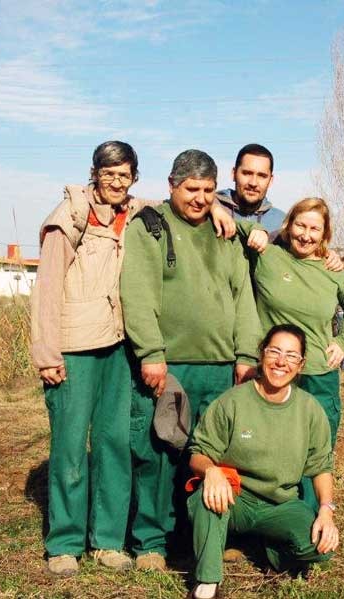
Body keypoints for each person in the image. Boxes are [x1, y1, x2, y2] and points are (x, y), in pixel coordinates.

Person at [29, 141, 238, 577]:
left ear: (134, 178)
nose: (116, 182)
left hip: (120, 347)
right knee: (70, 446)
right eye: (108, 174)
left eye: (124, 175)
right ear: (94, 173)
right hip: (75, 346)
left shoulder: (137, 213)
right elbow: (46, 289)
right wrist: (46, 352)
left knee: (114, 446)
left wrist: (219, 206)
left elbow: (181, 199)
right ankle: (65, 542)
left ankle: (106, 540)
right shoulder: (68, 217)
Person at [120, 149, 263, 571]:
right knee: (160, 453)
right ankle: (150, 542)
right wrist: (150, 353)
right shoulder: (150, 227)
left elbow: (244, 299)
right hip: (170, 365)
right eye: (191, 189)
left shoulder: (227, 233)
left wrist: (245, 354)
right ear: (171, 185)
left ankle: (202, 537)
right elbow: (139, 295)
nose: (199, 199)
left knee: (212, 457)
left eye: (207, 190)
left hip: (220, 366)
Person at [186, 324, 338, 599]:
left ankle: (270, 550)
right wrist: (211, 471)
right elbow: (199, 451)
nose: (281, 362)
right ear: (261, 355)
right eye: (275, 352)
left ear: (301, 365)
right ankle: (207, 583)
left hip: (280, 504)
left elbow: (321, 467)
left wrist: (326, 511)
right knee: (204, 500)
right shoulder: (232, 401)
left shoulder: (310, 410)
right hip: (235, 498)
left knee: (321, 547)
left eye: (292, 356)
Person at [240, 197, 344, 510]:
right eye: (301, 225)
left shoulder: (330, 269)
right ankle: (266, 516)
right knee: (269, 448)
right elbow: (229, 225)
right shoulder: (267, 256)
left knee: (315, 450)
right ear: (288, 224)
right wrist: (255, 233)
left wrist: (343, 342)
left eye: (314, 229)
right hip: (275, 373)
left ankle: (309, 517)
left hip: (318, 375)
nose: (306, 235)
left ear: (324, 235)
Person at [215, 143, 286, 231]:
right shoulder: (211, 207)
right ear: (234, 174)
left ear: (270, 180)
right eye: (247, 173)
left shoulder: (282, 223)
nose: (253, 183)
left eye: (262, 176)